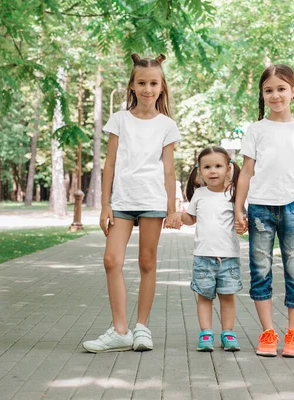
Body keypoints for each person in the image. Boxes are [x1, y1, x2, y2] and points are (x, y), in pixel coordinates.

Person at [83, 53, 182, 353]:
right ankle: (120, 330)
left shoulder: (167, 125)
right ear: (132, 86)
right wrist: (105, 205)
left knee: (147, 263)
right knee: (111, 260)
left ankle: (141, 328)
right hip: (122, 201)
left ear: (162, 87)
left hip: (152, 200)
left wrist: (172, 207)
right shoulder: (119, 120)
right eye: (142, 82)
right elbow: (109, 164)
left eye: (153, 83)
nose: (147, 89)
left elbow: (168, 169)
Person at [234, 64, 294, 358]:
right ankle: (267, 332)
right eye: (269, 90)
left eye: (281, 89)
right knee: (260, 270)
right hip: (260, 209)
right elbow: (246, 172)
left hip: (293, 207)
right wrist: (238, 208)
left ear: (293, 91)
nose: (275, 95)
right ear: (262, 94)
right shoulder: (256, 130)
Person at [179, 146, 244, 352]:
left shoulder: (234, 194)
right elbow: (190, 219)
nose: (213, 171)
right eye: (207, 167)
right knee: (204, 297)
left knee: (227, 297)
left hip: (229, 257)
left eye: (218, 166)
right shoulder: (199, 194)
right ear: (200, 171)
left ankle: (228, 333)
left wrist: (244, 225)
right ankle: (206, 333)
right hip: (203, 257)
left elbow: (242, 220)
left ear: (228, 169)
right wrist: (176, 216)